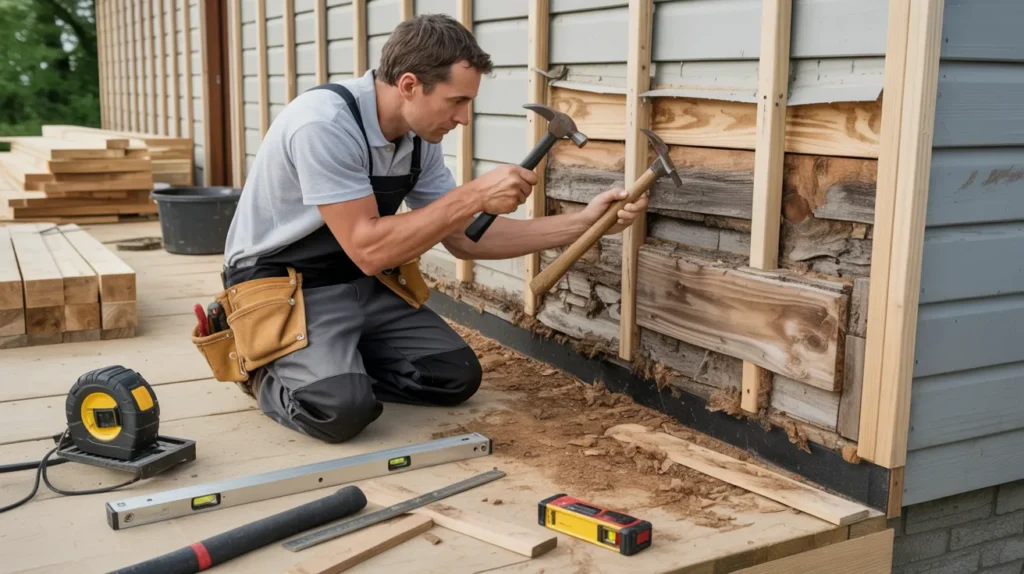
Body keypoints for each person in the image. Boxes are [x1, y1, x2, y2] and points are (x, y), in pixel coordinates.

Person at [220, 13, 649, 444]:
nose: (463, 118)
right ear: (409, 85)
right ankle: (265, 367)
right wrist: (474, 195)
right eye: (456, 101)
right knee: (340, 410)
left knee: (452, 376)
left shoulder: (417, 138)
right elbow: (369, 249)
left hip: (357, 281)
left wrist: (583, 224)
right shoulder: (325, 126)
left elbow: (464, 239)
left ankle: (334, 363)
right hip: (285, 286)